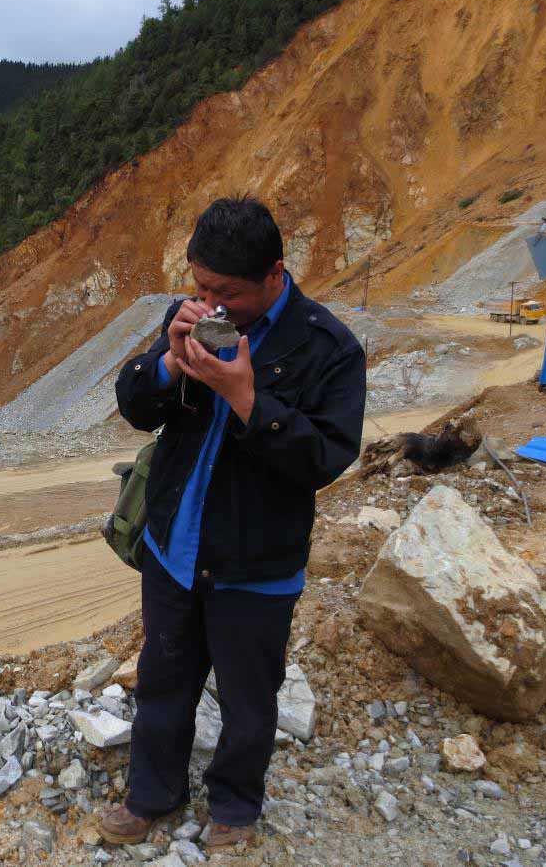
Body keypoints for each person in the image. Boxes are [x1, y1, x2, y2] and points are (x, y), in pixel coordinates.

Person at [103, 196, 366, 851]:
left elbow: (324, 457)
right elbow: (136, 405)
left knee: (249, 700)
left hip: (256, 564)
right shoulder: (192, 317)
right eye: (198, 286)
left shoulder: (327, 347)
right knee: (162, 680)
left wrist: (245, 397)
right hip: (174, 549)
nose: (209, 303)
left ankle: (235, 808)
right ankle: (151, 796)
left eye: (225, 292)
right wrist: (167, 361)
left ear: (273, 273)